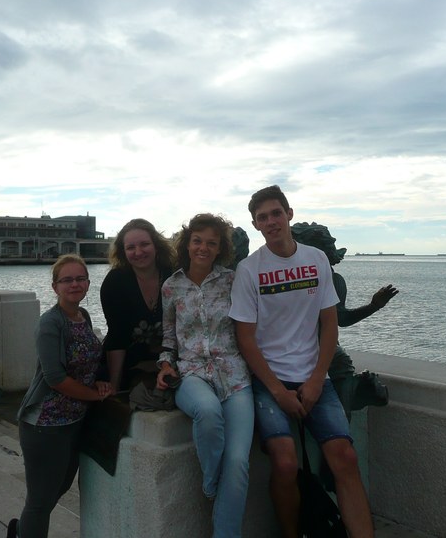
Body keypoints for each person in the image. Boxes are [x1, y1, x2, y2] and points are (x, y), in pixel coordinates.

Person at [229, 185, 374, 538]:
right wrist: (278, 392)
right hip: (269, 381)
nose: (271, 222)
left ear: (289, 214)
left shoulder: (316, 259)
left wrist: (316, 380)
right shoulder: (249, 270)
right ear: (256, 225)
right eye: (262, 217)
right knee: (284, 460)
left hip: (314, 377)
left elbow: (329, 325)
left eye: (276, 213)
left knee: (345, 457)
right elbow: (245, 338)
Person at [157, 214, 253, 538]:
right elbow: (168, 337)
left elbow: (250, 326)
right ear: (187, 244)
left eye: (212, 243)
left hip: (234, 375)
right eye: (197, 241)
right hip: (192, 372)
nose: (203, 248)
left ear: (220, 248)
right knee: (208, 412)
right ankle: (212, 482)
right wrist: (165, 365)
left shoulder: (233, 281)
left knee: (238, 463)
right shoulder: (171, 287)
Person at [8, 254, 114, 538]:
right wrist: (94, 396)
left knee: (60, 487)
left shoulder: (83, 316)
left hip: (74, 421)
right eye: (67, 280)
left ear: (88, 283)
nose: (74, 284)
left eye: (80, 279)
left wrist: (100, 381)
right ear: (55, 287)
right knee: (40, 502)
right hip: (45, 424)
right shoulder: (50, 323)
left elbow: (89, 360)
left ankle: (20, 532)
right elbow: (55, 378)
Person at [291, 222, 398, 419]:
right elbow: (343, 319)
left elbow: (340, 319)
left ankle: (343, 417)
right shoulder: (294, 277)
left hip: (311, 349)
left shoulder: (331, 279)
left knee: (340, 363)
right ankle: (345, 415)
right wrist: (374, 306)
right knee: (341, 364)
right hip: (301, 351)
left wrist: (374, 305)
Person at [100, 218, 175, 391]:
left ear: (156, 245)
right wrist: (115, 388)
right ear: (123, 252)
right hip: (131, 364)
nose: (138, 252)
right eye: (131, 247)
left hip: (171, 360)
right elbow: (117, 337)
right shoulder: (115, 282)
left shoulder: (173, 275)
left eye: (144, 244)